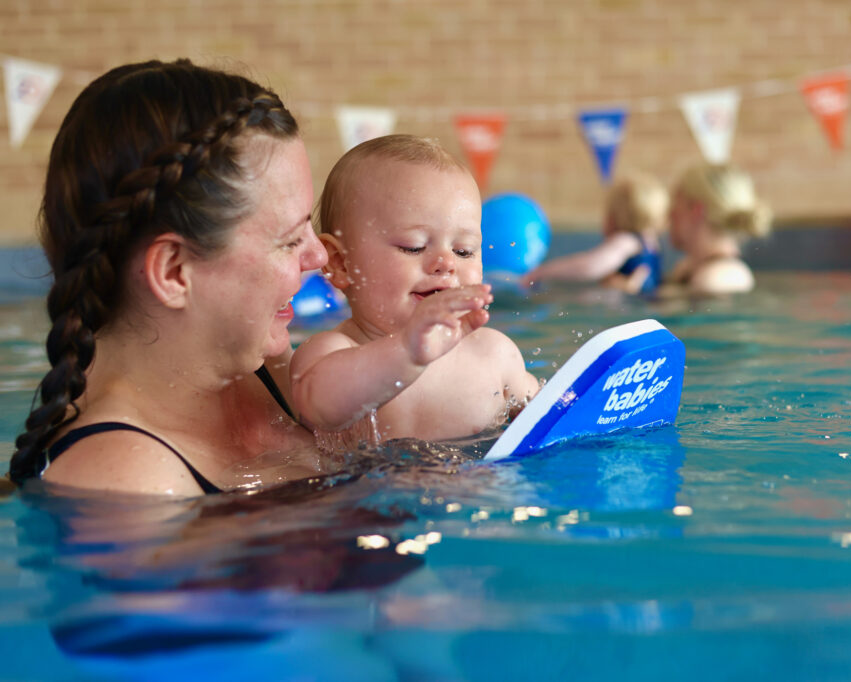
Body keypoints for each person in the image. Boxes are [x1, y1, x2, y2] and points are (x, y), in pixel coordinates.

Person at [7, 59, 330, 496]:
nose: (319, 255)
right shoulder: (124, 478)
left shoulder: (266, 364)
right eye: (290, 240)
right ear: (174, 271)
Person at [289, 134, 539, 445]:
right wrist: (407, 351)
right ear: (341, 263)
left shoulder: (494, 354)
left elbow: (551, 420)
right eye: (413, 247)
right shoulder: (332, 353)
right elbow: (320, 407)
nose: (446, 263)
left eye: (463, 251)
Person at [521, 172, 669, 295]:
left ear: (615, 216)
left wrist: (541, 272)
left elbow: (589, 266)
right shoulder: (651, 243)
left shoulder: (626, 241)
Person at [664, 163, 773, 296]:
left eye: (675, 203)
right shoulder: (688, 269)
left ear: (696, 210)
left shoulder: (718, 279)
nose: (669, 214)